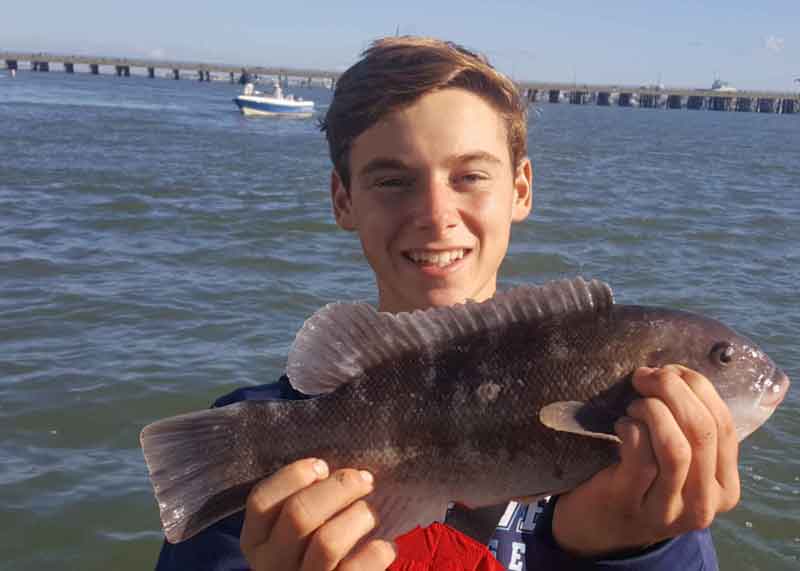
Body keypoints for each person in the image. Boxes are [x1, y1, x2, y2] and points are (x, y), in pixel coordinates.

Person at [155, 36, 739, 570]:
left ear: (521, 190)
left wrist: (625, 552)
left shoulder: (645, 473)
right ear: (343, 199)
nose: (435, 215)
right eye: (392, 180)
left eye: (470, 177)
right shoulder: (256, 456)